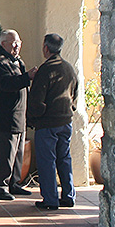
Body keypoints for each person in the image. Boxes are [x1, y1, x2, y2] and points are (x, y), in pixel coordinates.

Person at [26, 33, 79, 211]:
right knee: (64, 158)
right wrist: (70, 110)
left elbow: (36, 100)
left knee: (47, 160)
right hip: (66, 121)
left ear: (46, 48)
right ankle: (68, 196)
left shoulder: (45, 70)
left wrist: (33, 118)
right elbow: (75, 94)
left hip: (48, 123)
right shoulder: (69, 68)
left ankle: (50, 199)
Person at [0, 29, 32, 201]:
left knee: (17, 154)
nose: (16, 46)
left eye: (18, 42)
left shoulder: (17, 61)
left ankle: (14, 183)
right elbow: (6, 84)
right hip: (4, 117)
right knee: (5, 154)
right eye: (13, 43)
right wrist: (28, 77)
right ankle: (0, 187)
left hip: (19, 116)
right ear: (3, 44)